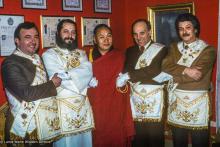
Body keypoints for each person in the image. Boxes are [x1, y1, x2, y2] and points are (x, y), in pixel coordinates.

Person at [1, 22, 62, 147]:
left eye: (36, 37)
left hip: (44, 123)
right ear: (17, 41)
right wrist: (52, 84)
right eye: (27, 37)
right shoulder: (10, 63)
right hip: (23, 127)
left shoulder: (38, 58)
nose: (33, 41)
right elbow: (26, 94)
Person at [162, 13, 216, 147]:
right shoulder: (174, 47)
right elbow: (165, 66)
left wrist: (172, 76)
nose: (184, 31)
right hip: (177, 102)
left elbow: (198, 75)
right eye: (180, 28)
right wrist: (187, 70)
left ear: (195, 29)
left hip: (198, 104)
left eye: (188, 27)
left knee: (200, 142)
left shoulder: (208, 50)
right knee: (178, 142)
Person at [42, 19, 94, 147]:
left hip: (82, 107)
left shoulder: (81, 53)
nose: (70, 35)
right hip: (62, 107)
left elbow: (88, 71)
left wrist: (68, 74)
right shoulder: (49, 55)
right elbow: (59, 79)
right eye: (66, 31)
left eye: (73, 32)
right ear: (58, 33)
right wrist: (82, 78)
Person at [116, 19, 167, 147]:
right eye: (135, 34)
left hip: (154, 101)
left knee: (155, 138)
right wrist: (134, 75)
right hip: (136, 101)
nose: (138, 38)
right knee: (138, 138)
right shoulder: (130, 51)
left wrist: (131, 75)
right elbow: (126, 70)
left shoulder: (162, 49)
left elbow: (154, 71)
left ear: (150, 32)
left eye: (142, 33)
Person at [87, 24, 134, 147]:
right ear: (94, 39)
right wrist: (87, 85)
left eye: (109, 36)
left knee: (117, 137)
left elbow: (127, 87)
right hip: (96, 107)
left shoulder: (121, 56)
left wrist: (123, 84)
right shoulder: (87, 59)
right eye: (101, 37)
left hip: (116, 107)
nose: (106, 40)